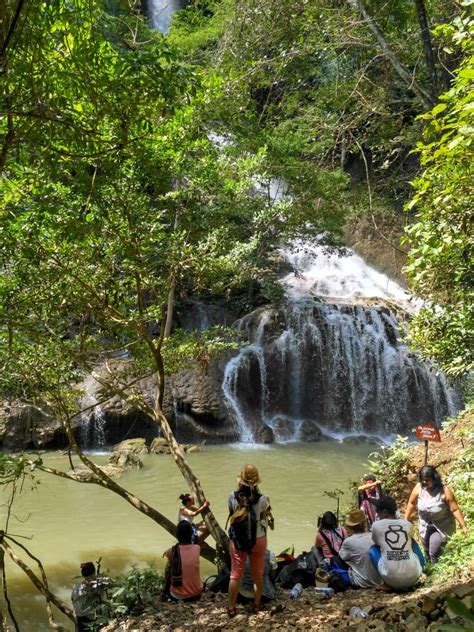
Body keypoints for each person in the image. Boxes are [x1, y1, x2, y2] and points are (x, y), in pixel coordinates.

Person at [227, 464, 269, 617]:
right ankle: (257, 605)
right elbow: (263, 520)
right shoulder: (263, 499)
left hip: (238, 539)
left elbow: (232, 516)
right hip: (258, 539)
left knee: (235, 574)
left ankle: (231, 607)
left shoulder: (232, 496)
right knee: (258, 575)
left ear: (241, 480)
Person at [405, 465, 468, 564]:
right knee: (426, 551)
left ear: (434, 479)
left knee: (434, 552)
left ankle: (436, 573)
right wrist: (405, 520)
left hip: (442, 525)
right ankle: (429, 570)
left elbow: (455, 509)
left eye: (427, 480)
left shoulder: (444, 490)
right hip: (425, 525)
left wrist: (463, 526)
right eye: (423, 480)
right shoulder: (418, 488)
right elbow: (411, 503)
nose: (424, 482)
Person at [369, 495, 424, 591]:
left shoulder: (376, 526)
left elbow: (377, 544)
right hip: (413, 577)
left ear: (385, 512)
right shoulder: (407, 524)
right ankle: (422, 566)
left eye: (378, 512)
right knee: (412, 542)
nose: (377, 515)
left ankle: (386, 584)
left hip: (391, 579)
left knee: (373, 549)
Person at [338, 509, 381, 589]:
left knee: (336, 560)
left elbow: (342, 557)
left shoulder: (348, 542)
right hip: (379, 580)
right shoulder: (374, 537)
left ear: (351, 527)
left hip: (362, 583)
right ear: (365, 523)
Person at [164, 520, 203, 601]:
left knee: (170, 566)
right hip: (197, 593)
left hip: (177, 595)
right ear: (191, 534)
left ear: (177, 535)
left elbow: (167, 573)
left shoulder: (171, 551)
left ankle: (165, 592)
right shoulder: (197, 548)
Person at [71, 562, 109, 632]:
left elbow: (72, 599)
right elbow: (108, 580)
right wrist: (95, 581)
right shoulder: (97, 586)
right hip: (91, 619)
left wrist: (90, 582)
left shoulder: (76, 587)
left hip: (79, 619)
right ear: (94, 573)